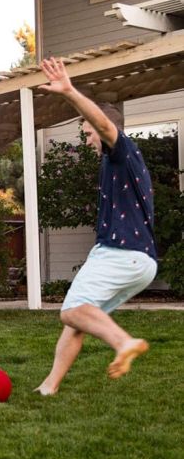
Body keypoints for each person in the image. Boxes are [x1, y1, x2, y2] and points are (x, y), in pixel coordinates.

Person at [35, 57, 158, 395]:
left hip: (120, 253)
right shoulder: (119, 162)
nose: (87, 138)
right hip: (140, 261)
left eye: (87, 132)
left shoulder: (122, 151)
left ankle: (124, 342)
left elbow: (104, 125)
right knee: (80, 317)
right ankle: (49, 387)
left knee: (72, 310)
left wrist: (69, 90)